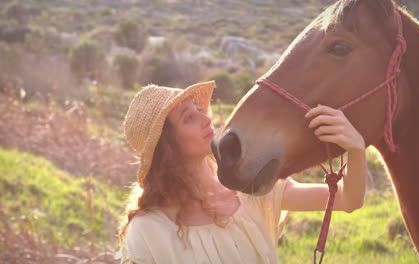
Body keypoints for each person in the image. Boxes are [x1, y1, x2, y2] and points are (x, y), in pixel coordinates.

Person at [118, 80, 367, 264]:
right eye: (188, 118)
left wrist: (356, 149)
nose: (205, 119)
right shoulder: (148, 231)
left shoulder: (250, 189)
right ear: (167, 147)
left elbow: (347, 199)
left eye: (199, 110)